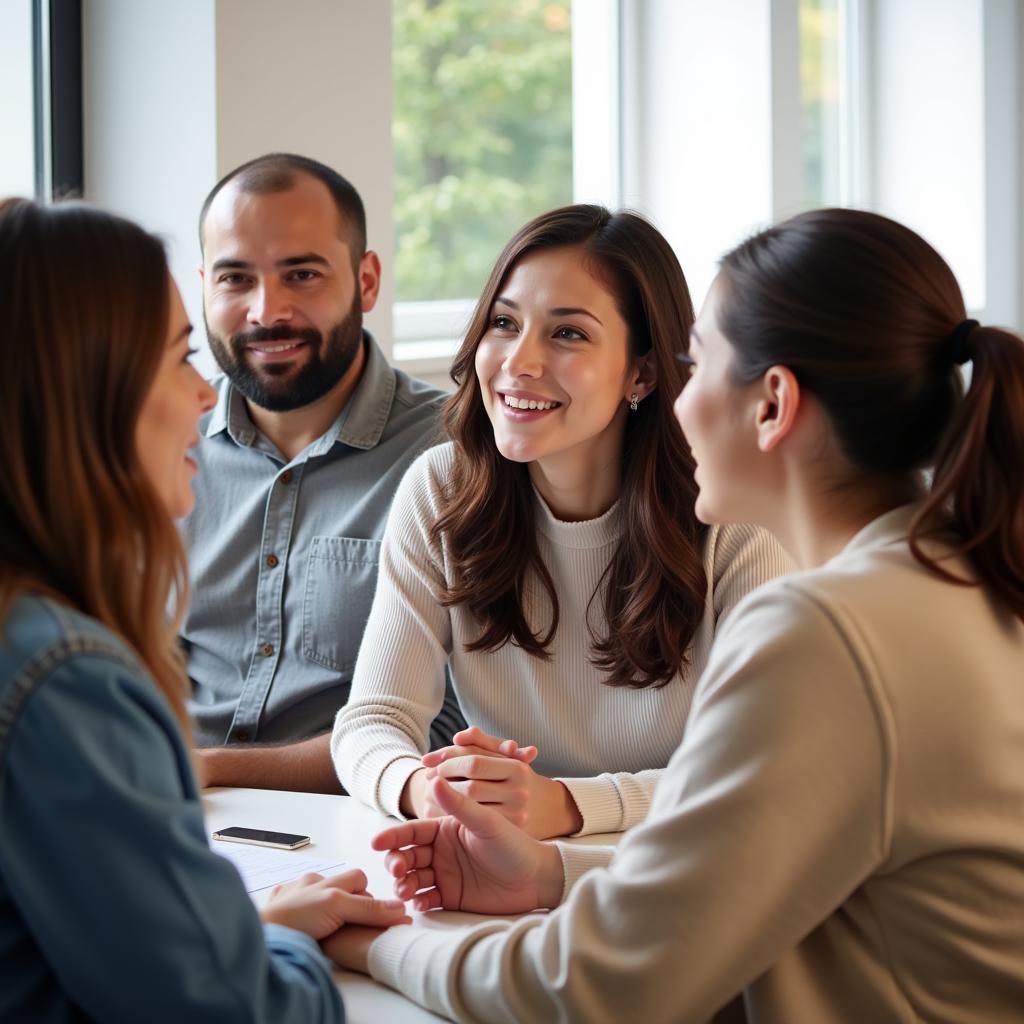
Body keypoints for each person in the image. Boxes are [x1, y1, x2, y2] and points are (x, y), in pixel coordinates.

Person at [327, 207, 1024, 1022]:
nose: (683, 402)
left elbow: (596, 985)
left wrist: (365, 943)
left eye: (698, 365)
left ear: (771, 404)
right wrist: (548, 873)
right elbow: (754, 874)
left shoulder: (827, 631)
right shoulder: (955, 580)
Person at [0, 198, 410, 1022]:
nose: (201, 393)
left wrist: (240, 930)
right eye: (178, 357)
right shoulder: (67, 678)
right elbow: (237, 1012)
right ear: (88, 390)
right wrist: (274, 947)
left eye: (301, 272)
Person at [332, 204, 789, 839]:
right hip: (505, 860)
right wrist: (428, 791)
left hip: (687, 865)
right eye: (503, 323)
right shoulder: (441, 489)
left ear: (643, 370)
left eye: (568, 333)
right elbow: (372, 721)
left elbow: (759, 766)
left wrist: (568, 807)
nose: (519, 362)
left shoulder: (733, 516)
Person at [183, 153, 464, 792]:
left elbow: (449, 726)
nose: (265, 311)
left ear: (366, 281)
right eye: (234, 279)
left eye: (301, 274)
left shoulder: (456, 456)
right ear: (204, 285)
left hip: (356, 829)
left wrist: (208, 770)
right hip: (170, 816)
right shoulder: (162, 442)